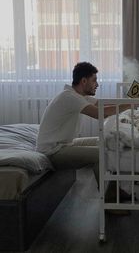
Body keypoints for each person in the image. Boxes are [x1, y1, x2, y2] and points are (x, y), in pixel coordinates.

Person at [36, 61, 133, 210]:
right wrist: (132, 105)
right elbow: (101, 114)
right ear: (83, 81)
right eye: (94, 80)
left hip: (65, 144)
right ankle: (110, 202)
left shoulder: (78, 95)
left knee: (106, 141)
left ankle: (114, 191)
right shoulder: (69, 98)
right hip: (52, 151)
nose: (97, 84)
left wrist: (128, 101)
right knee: (100, 154)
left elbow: (103, 104)